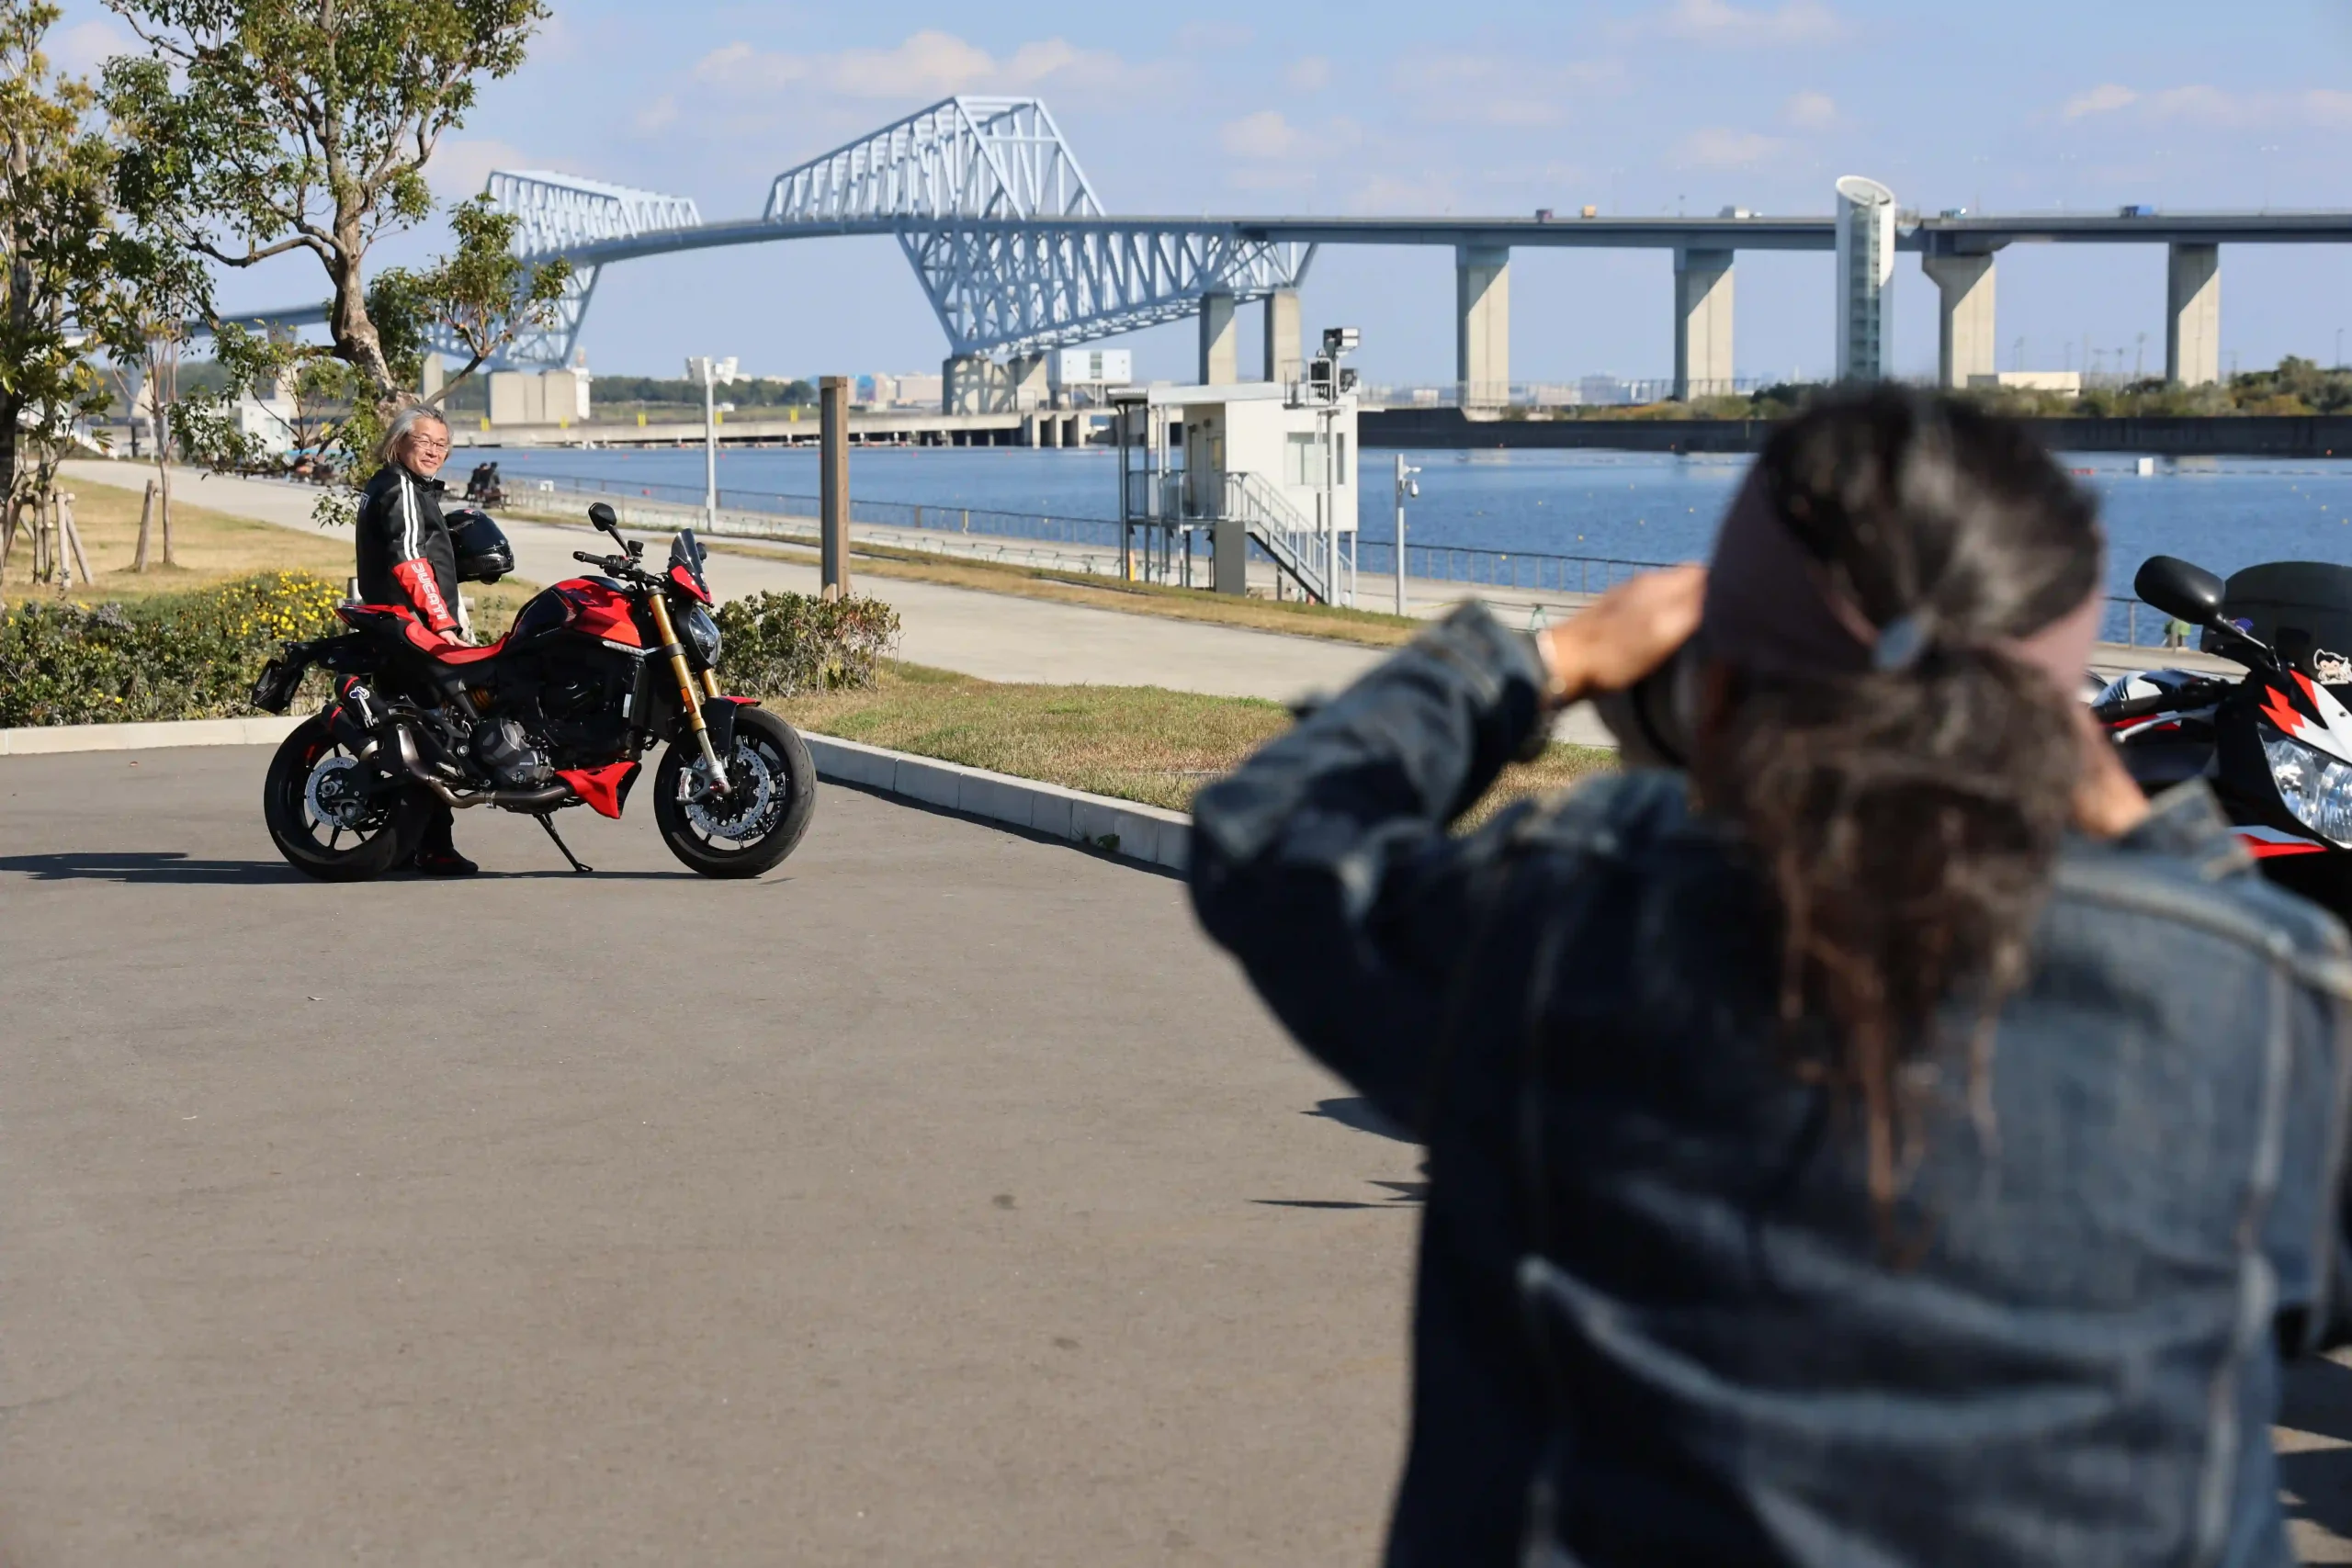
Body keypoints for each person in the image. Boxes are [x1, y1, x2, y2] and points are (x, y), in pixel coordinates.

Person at [1188, 389, 2352, 1567]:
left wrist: (1545, 658)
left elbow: (1274, 839)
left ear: (1720, 688)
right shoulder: (2257, 1007)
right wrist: (2145, 837)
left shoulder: (1564, 925)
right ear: (2051, 714)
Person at [356, 403, 475, 877]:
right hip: (413, 631)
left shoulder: (391, 485)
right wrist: (444, 625)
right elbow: (408, 558)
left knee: (414, 736)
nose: (433, 450)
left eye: (442, 444)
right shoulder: (401, 486)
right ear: (399, 442)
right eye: (423, 440)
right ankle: (433, 846)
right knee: (436, 737)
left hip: (398, 627)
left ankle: (411, 844)